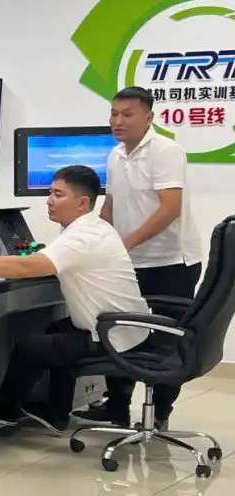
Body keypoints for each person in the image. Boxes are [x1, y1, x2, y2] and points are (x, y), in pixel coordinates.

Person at [0, 165, 151, 431]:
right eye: (50, 193)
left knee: (30, 346)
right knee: (57, 328)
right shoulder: (95, 228)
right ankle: (55, 413)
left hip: (110, 336)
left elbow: (27, 267)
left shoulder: (81, 236)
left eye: (58, 195)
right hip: (126, 329)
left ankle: (6, 411)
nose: (49, 200)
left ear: (82, 203)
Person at [77, 86, 203, 429]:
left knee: (166, 342)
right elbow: (111, 206)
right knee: (121, 333)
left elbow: (170, 209)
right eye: (114, 114)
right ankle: (116, 406)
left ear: (149, 117)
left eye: (127, 114)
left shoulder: (165, 151)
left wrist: (125, 243)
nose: (118, 121)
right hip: (130, 262)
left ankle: (160, 414)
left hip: (171, 263)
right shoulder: (116, 155)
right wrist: (88, 238)